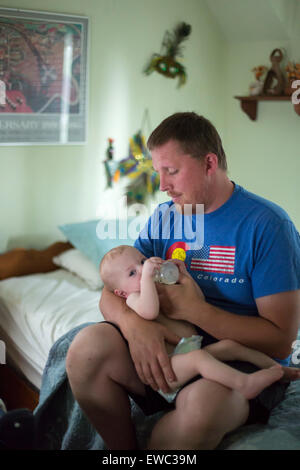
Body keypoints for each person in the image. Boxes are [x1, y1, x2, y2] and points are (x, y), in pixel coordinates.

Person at [66, 112, 300, 450]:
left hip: (239, 362)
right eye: (157, 172)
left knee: (203, 409)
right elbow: (111, 288)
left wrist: (197, 311)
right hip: (171, 352)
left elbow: (281, 340)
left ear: (209, 163)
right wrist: (135, 326)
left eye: (172, 171)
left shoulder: (267, 225)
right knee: (84, 349)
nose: (162, 186)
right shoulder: (165, 217)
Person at [100, 244, 299, 403]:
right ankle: (244, 383)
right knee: (199, 360)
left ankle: (277, 370)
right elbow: (150, 312)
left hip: (190, 349)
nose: (143, 269)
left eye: (142, 261)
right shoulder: (133, 298)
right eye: (132, 273)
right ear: (121, 292)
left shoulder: (155, 286)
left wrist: (184, 275)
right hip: (170, 368)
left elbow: (198, 300)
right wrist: (148, 279)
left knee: (231, 346)